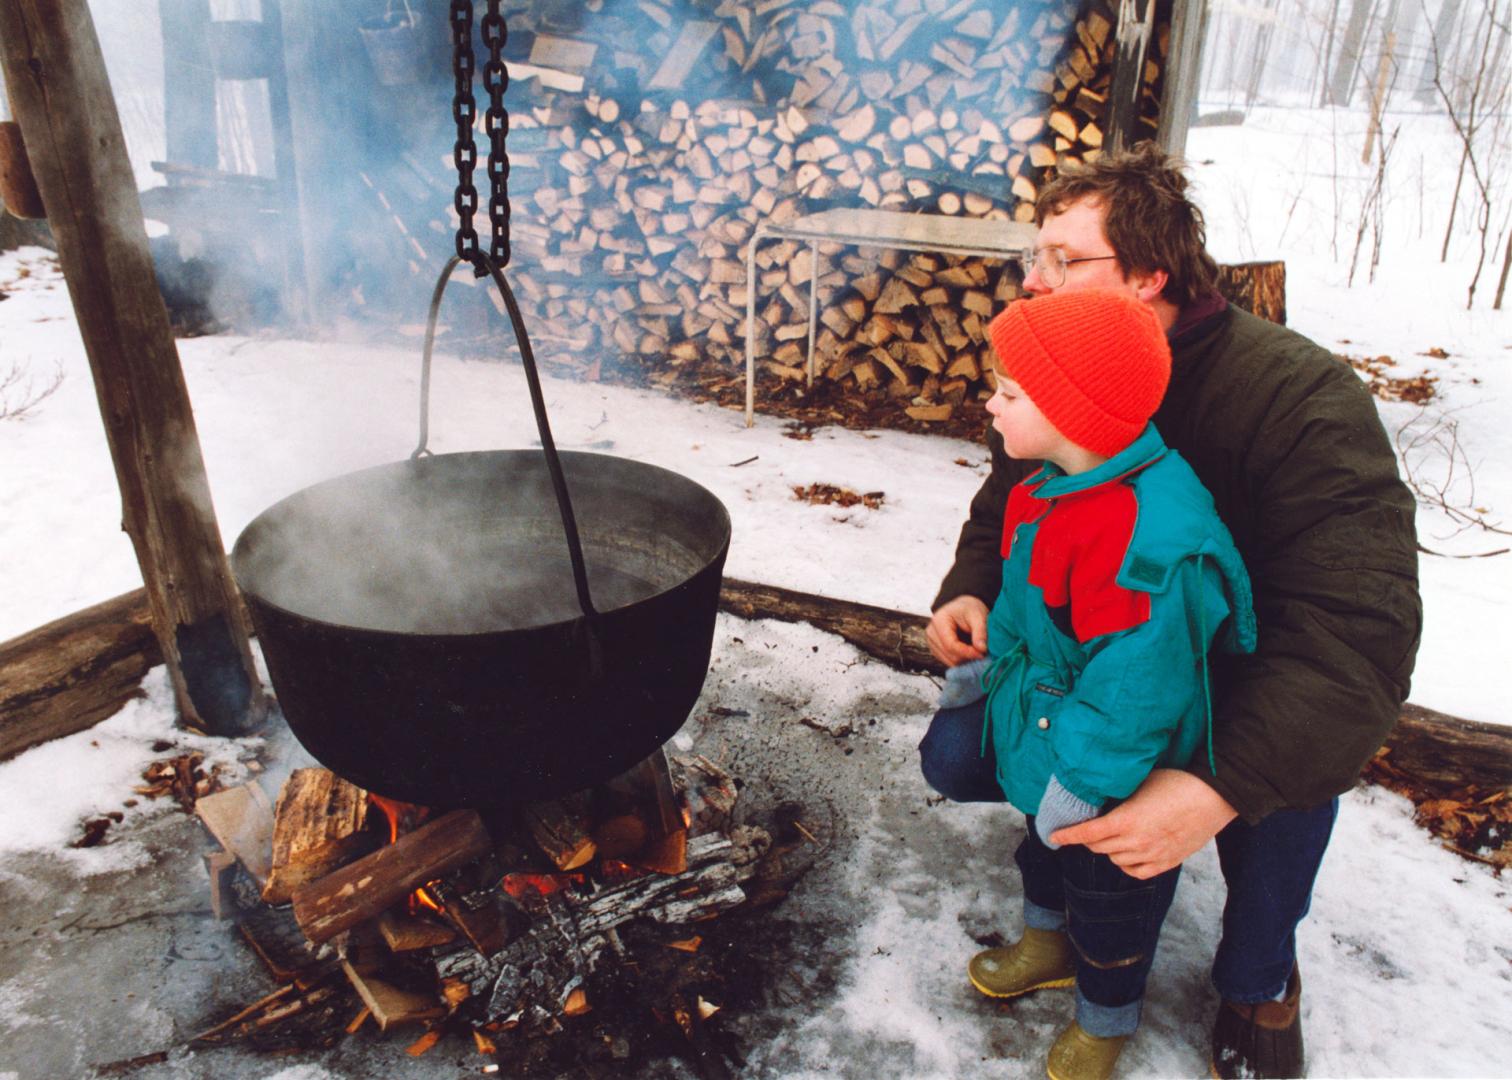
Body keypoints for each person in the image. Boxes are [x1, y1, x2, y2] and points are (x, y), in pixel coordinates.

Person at [920, 143, 1421, 1080]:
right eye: (1036, 256)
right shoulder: (1058, 367)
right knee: (957, 753)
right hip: (1100, 678)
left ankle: (1260, 975)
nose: (1033, 281)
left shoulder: (1302, 399)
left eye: (1065, 261)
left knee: (1287, 788)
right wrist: (972, 587)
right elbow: (1010, 506)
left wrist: (1216, 786)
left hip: (1248, 686)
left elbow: (1356, 638)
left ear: (1149, 277)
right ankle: (1070, 902)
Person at [928, 285, 1259, 1080]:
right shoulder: (1046, 485)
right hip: (1047, 725)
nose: (990, 404)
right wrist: (984, 670)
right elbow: (1022, 597)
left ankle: (1106, 1017)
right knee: (1040, 852)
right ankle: (1047, 943)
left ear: (1073, 414)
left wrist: (1081, 782)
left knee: (1112, 897)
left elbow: (1138, 691)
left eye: (1009, 393)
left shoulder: (1146, 540)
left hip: (1114, 770)